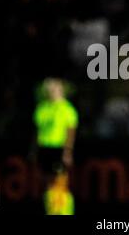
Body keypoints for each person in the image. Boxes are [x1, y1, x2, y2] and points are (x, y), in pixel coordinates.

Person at [33, 78, 78, 214]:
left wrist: (67, 152)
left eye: (55, 89)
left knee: (60, 183)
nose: (52, 92)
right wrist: (35, 150)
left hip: (58, 149)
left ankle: (64, 211)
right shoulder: (42, 108)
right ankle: (51, 210)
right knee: (46, 184)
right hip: (44, 148)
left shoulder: (67, 109)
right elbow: (37, 130)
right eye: (50, 89)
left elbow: (70, 131)